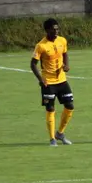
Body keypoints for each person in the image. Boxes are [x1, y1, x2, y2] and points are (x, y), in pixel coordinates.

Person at [30, 18, 74, 146]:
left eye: (57, 29)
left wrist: (66, 65)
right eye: (53, 29)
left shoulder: (62, 40)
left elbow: (65, 53)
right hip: (48, 83)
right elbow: (33, 64)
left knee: (70, 106)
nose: (56, 31)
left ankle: (60, 133)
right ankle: (52, 139)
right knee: (50, 108)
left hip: (62, 80)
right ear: (47, 30)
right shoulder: (41, 46)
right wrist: (40, 79)